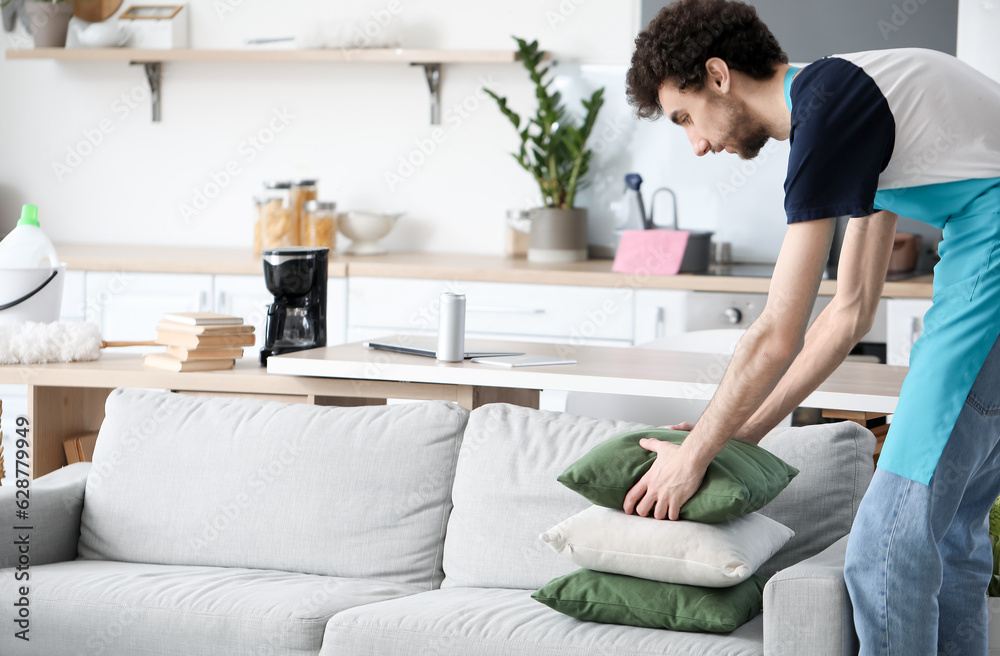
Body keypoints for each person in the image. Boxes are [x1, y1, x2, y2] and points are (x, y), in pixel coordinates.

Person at [622, 1, 1000, 654]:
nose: (699, 143)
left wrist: (696, 456)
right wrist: (737, 435)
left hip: (990, 245)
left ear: (718, 75)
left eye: (685, 118)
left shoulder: (828, 108)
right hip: (982, 240)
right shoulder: (850, 99)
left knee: (884, 549)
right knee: (951, 541)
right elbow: (848, 311)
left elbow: (777, 331)